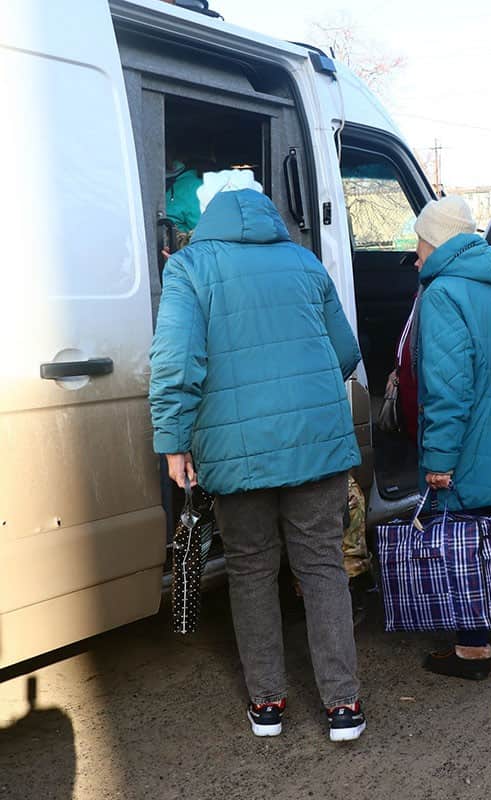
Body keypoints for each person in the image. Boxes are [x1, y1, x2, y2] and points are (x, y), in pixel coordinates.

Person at [149, 185, 366, 742]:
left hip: (235, 450)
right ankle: (344, 706)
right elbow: (346, 352)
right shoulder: (305, 261)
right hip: (316, 444)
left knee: (250, 570)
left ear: (208, 222)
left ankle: (268, 703)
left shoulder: (189, 268)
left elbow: (177, 360)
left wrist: (174, 441)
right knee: (321, 566)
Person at [411, 196, 491, 681]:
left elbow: (448, 387)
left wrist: (439, 458)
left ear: (437, 241)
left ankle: (471, 648)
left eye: (420, 243)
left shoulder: (443, 294)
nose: (416, 256)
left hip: (468, 445)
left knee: (464, 544)